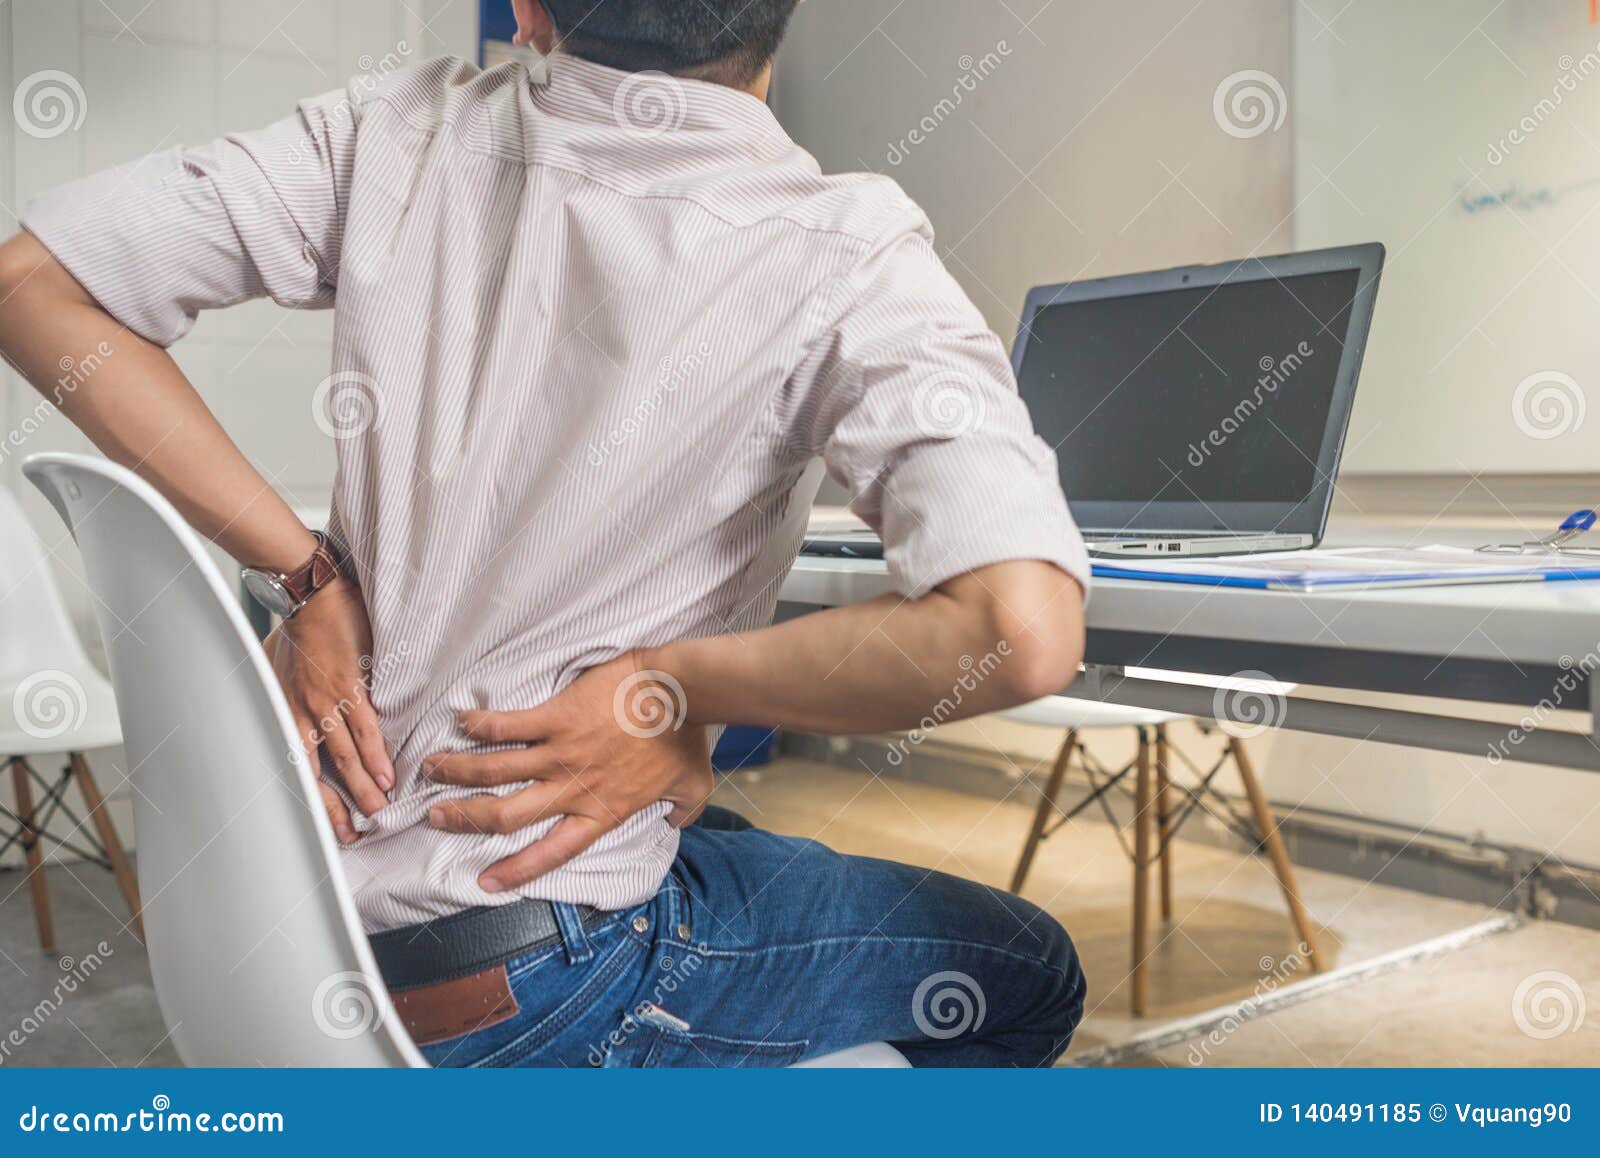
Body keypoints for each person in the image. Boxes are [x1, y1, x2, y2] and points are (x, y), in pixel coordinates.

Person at [0, 0, 1091, 1066]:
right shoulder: (850, 253)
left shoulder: (393, 130)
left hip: (298, 934)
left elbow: (31, 285)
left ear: (525, 8)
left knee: (733, 846)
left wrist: (306, 572)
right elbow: (1019, 628)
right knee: (1030, 967)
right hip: (555, 987)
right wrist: (669, 688)